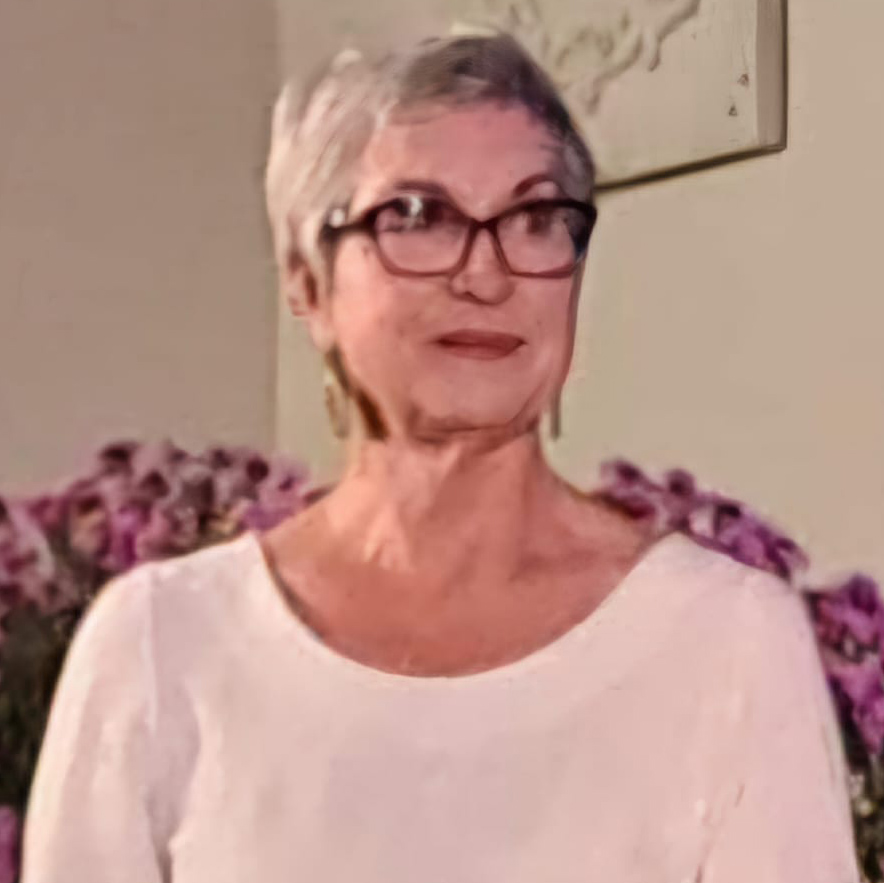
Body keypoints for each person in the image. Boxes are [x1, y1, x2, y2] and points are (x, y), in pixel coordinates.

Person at [21, 31, 860, 882]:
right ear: (307, 281)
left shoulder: (726, 642)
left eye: (535, 219)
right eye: (417, 218)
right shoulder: (160, 646)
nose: (486, 276)